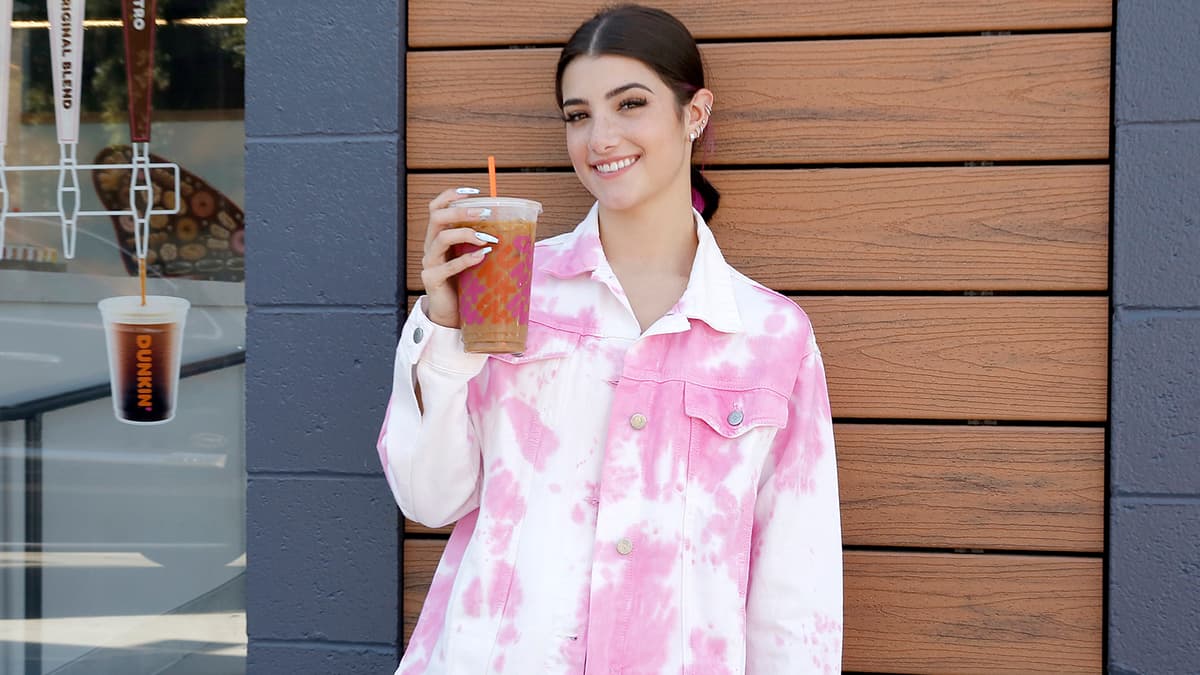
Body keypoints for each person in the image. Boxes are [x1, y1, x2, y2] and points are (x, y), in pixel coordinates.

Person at [377, 5, 842, 673]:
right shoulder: (511, 294)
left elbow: (797, 586)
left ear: (695, 114)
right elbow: (429, 497)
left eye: (630, 104)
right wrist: (444, 327)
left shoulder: (769, 334)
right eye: (577, 114)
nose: (601, 137)